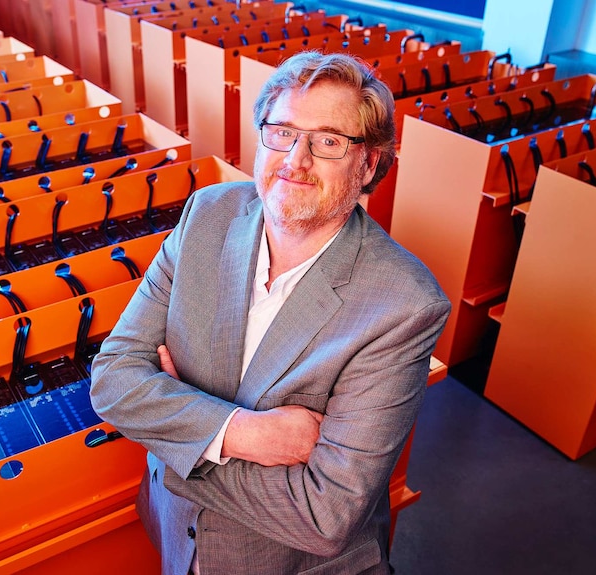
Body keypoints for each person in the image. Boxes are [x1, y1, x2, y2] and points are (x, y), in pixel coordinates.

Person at [90, 50, 451, 575]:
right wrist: (245, 434)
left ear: (369, 163)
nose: (295, 160)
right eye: (281, 131)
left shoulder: (404, 305)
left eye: (328, 141)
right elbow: (113, 380)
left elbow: (323, 515)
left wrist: (173, 433)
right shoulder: (207, 213)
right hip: (176, 536)